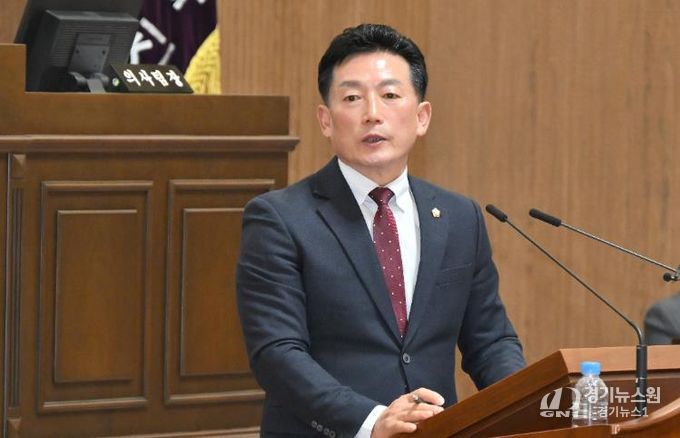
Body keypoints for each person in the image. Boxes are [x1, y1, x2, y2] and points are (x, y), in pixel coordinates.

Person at [236, 23, 525, 438]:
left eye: (390, 95)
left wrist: (524, 404)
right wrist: (371, 421)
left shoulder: (460, 216)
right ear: (325, 120)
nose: (372, 112)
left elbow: (491, 341)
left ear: (422, 117)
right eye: (352, 98)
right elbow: (277, 353)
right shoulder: (279, 219)